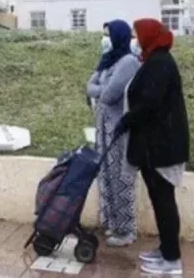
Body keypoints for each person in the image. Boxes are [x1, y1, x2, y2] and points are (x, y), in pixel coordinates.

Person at [114, 18, 189, 275]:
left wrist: (126, 120)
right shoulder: (155, 61)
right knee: (160, 201)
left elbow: (149, 103)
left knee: (164, 201)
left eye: (138, 35)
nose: (136, 40)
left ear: (148, 36)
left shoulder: (160, 64)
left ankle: (172, 260)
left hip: (162, 147)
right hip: (155, 146)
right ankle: (166, 250)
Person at [86, 19, 141, 247]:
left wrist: (98, 90)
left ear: (119, 36)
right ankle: (112, 224)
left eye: (108, 34)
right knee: (106, 177)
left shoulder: (128, 62)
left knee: (121, 178)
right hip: (103, 129)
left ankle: (126, 230)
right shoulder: (108, 60)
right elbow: (89, 85)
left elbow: (109, 95)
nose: (105, 39)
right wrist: (99, 89)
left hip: (119, 131)